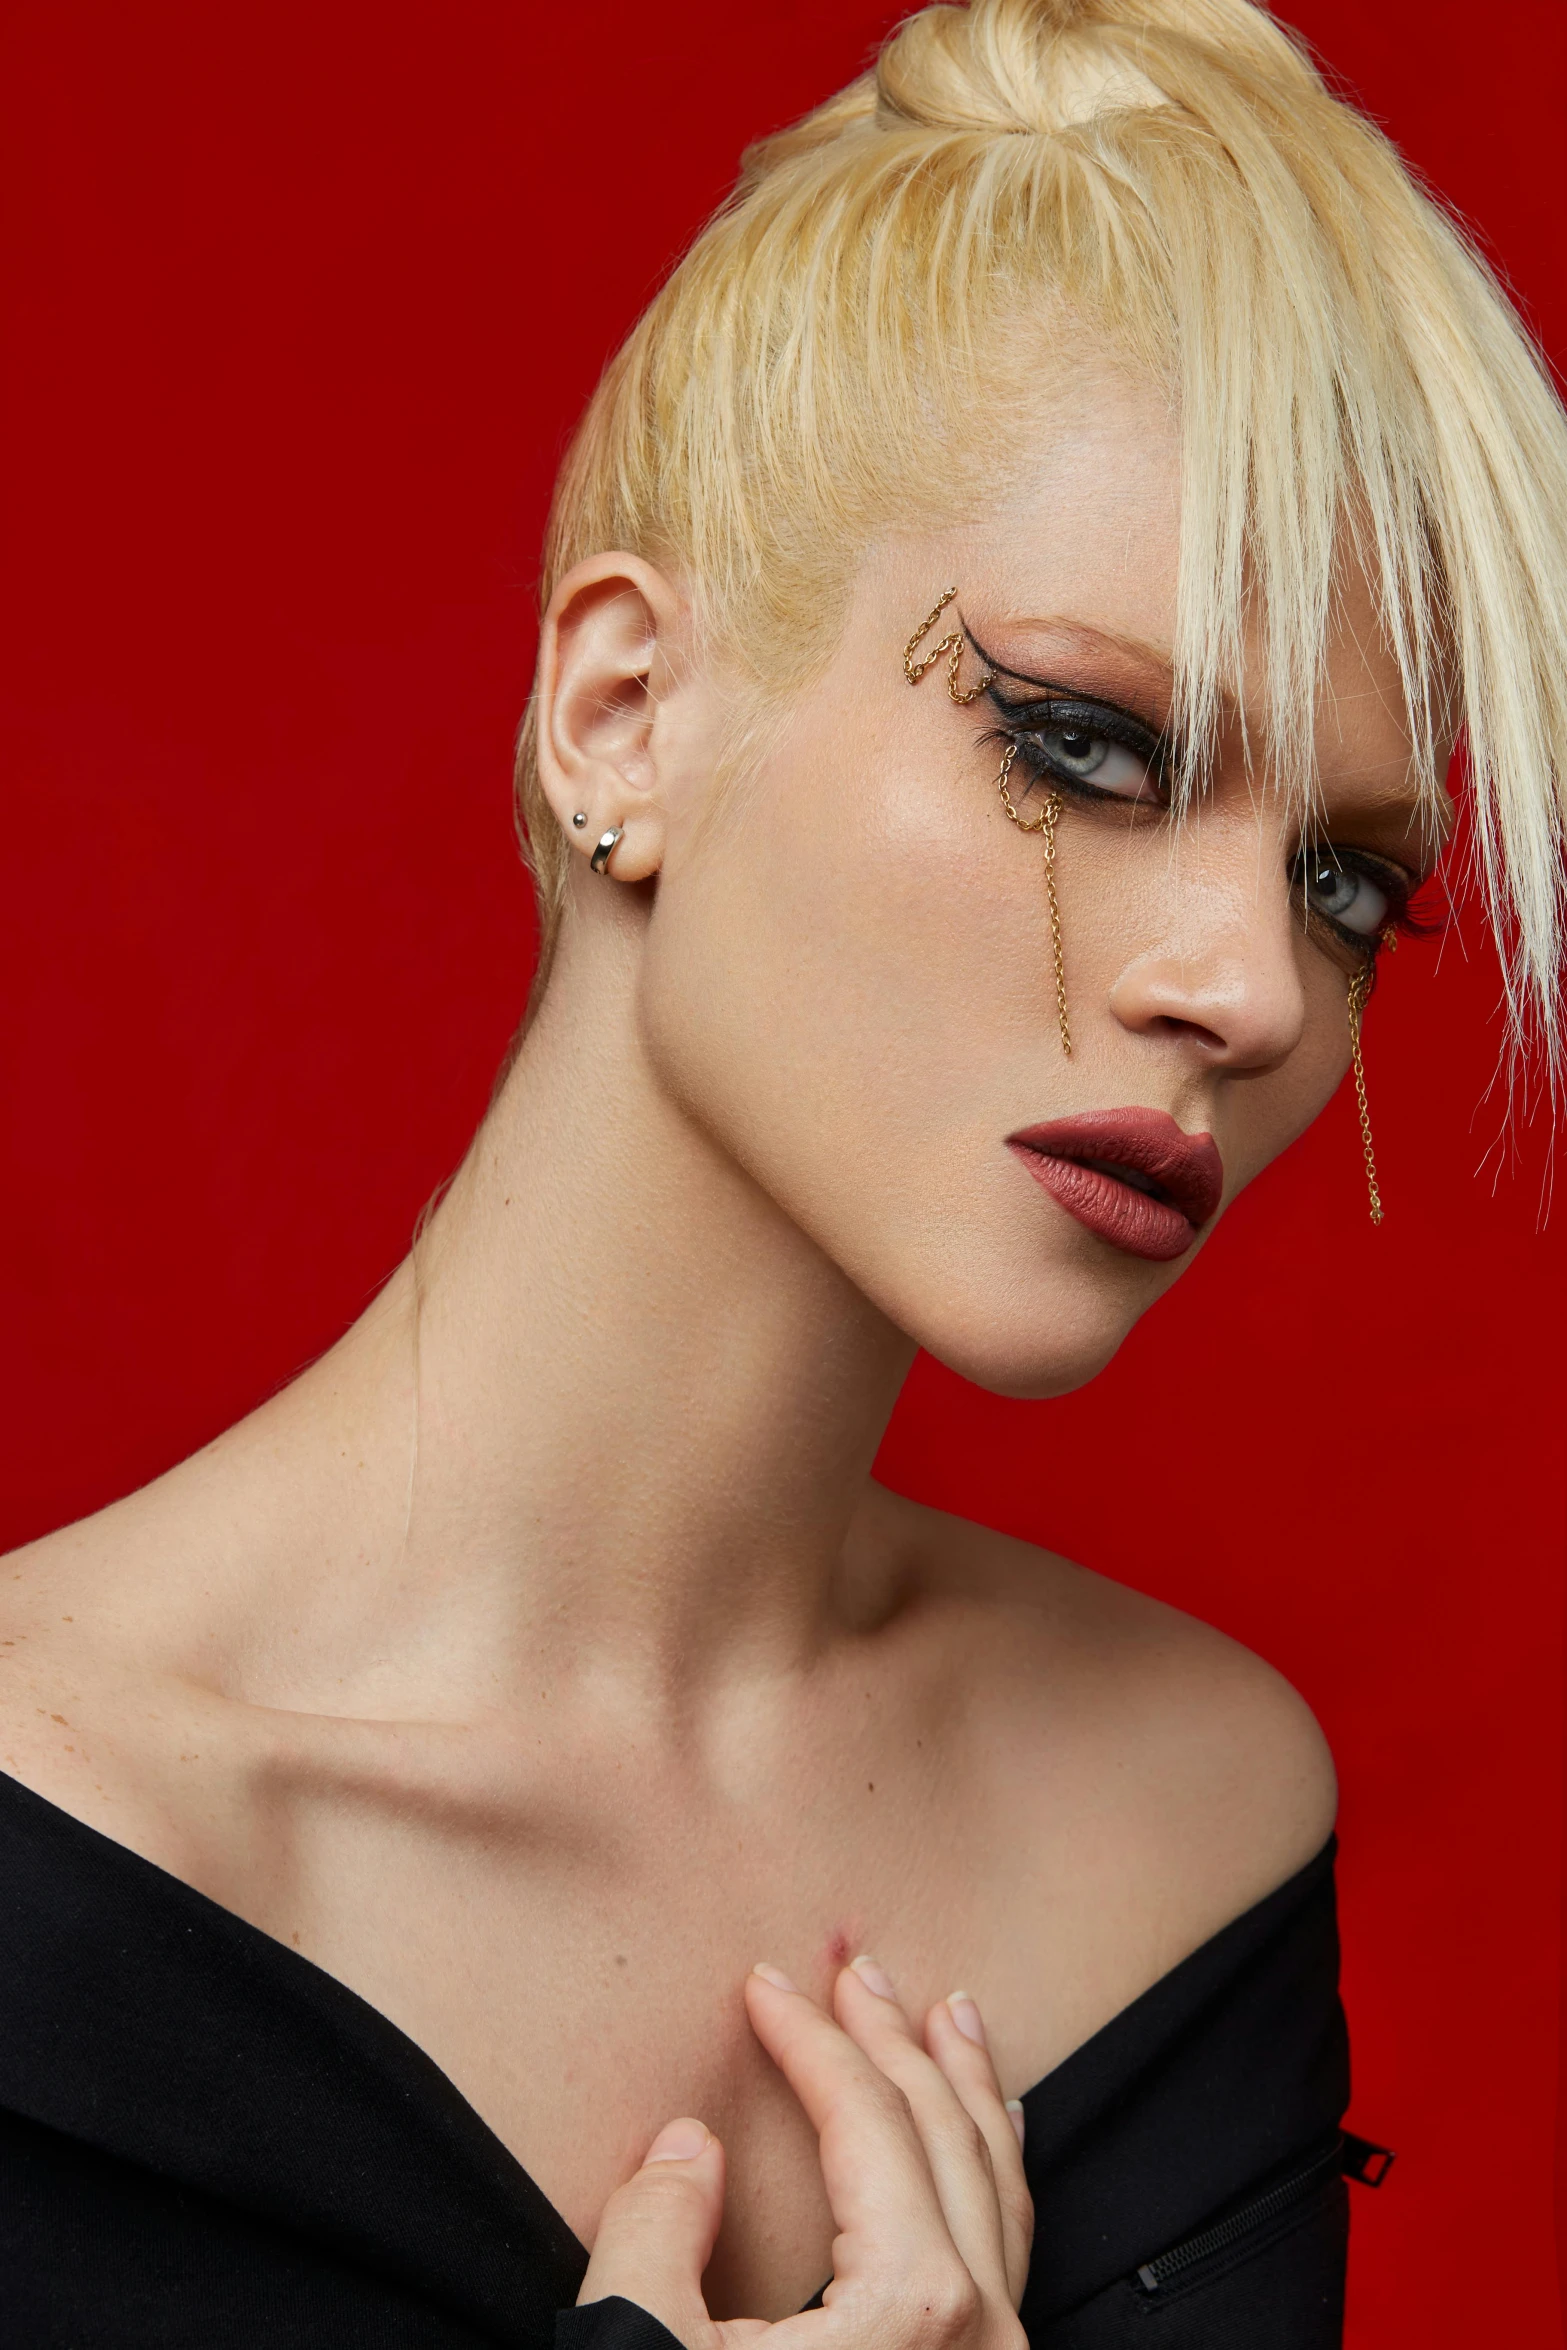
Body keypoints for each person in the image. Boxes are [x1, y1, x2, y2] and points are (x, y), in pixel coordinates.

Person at [3, 0, 1565, 2342]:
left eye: (1351, 884)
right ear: (624, 710)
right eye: (1087, 743)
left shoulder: (1189, 1827)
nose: (1252, 986)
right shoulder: (60, 1859)